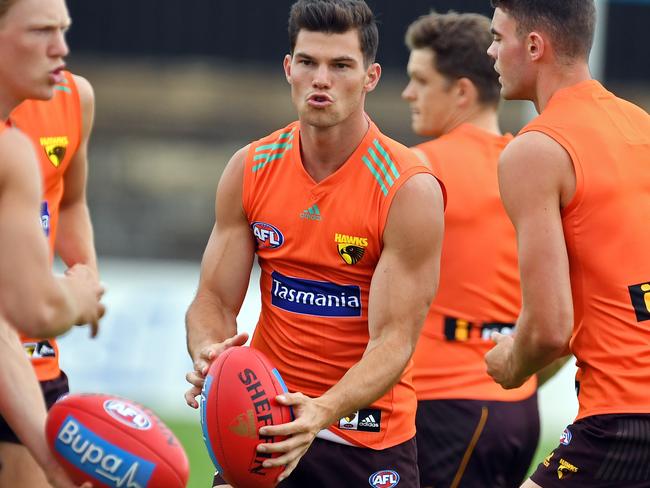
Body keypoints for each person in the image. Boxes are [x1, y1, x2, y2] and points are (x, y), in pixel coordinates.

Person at [184, 0, 445, 486]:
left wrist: (322, 411)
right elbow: (213, 300)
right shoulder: (251, 166)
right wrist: (208, 353)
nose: (320, 79)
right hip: (265, 425)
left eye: (340, 65)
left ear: (370, 76)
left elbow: (394, 341)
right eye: (308, 62)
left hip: (364, 436)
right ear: (289, 68)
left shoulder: (407, 187)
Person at [485, 1, 650, 486]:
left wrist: (512, 364)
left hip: (624, 418)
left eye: (498, 36)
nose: (490, 51)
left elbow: (550, 328)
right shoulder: (640, 125)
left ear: (534, 46)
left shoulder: (534, 150)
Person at [402, 11, 539, 488]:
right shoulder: (531, 165)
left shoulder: (419, 170)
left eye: (420, 80)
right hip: (519, 406)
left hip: (444, 406)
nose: (408, 94)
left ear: (461, 91)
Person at [0, 0, 104, 486]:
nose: (61, 48)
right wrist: (75, 299)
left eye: (63, 30)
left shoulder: (66, 104)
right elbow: (35, 309)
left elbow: (68, 202)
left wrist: (85, 273)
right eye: (42, 30)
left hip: (25, 357)